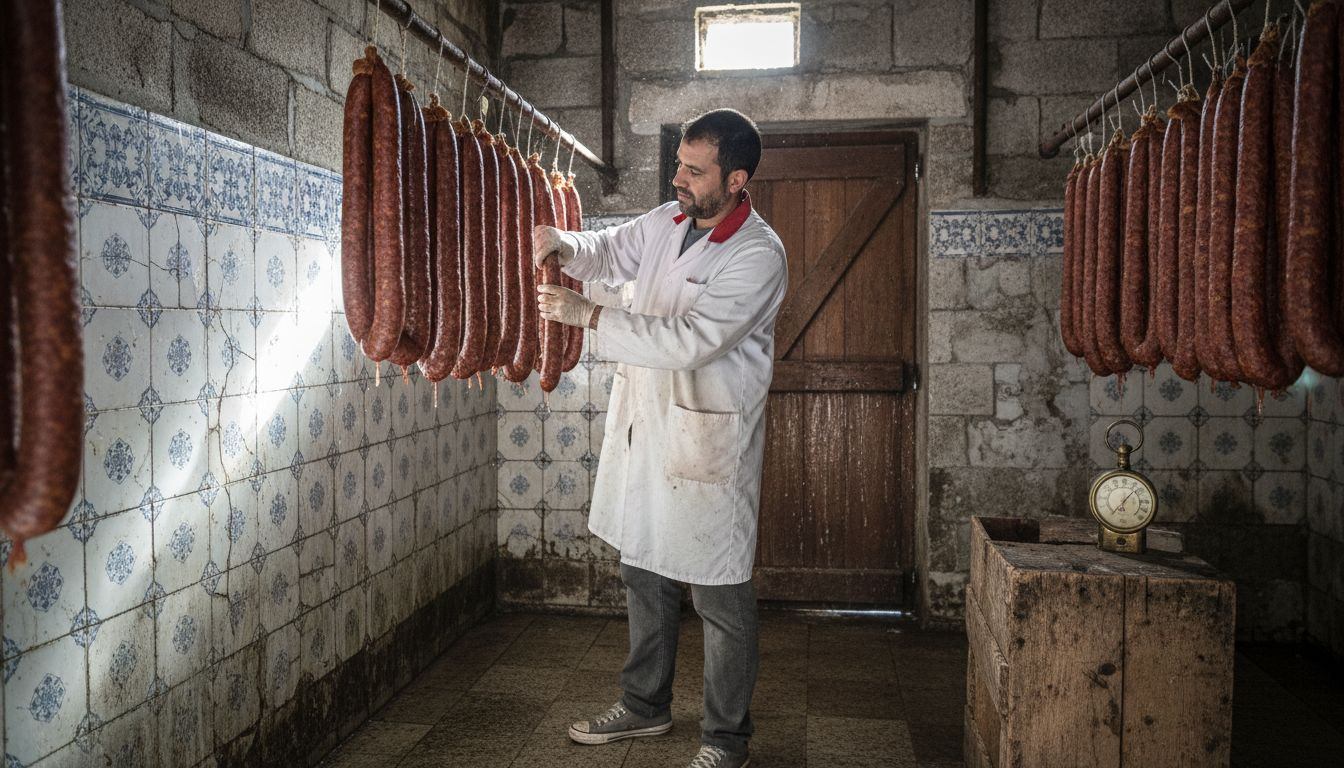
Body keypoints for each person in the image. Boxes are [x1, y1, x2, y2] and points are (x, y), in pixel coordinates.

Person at [533, 108, 786, 768]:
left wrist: (589, 315)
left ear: (735, 179)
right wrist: (563, 242)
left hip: (706, 437)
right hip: (647, 429)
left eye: (693, 170)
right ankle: (645, 707)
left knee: (719, 594)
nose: (678, 177)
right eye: (678, 162)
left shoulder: (758, 254)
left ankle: (725, 740)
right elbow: (609, 251)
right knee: (642, 567)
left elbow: (693, 341)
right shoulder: (667, 221)